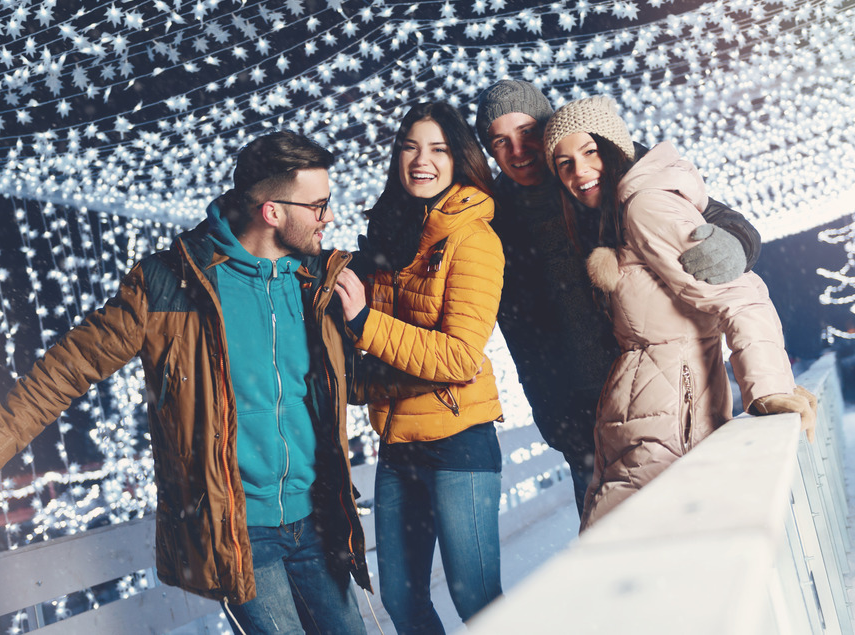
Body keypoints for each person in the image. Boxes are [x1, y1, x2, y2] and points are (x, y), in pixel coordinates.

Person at [0, 131, 371, 635]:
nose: (330, 217)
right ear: (272, 212)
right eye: (319, 205)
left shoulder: (318, 282)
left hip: (318, 517)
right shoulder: (169, 284)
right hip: (237, 529)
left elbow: (351, 382)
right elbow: (71, 364)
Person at [473, 80, 763, 516]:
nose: (519, 150)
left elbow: (699, 206)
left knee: (694, 523)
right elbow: (520, 331)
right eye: (501, 141)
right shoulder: (493, 216)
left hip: (657, 393)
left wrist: (735, 242)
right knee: (610, 550)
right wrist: (553, 417)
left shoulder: (594, 165)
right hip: (580, 419)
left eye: (528, 131)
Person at [543, 96, 817, 530]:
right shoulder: (613, 215)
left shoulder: (644, 206)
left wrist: (767, 389)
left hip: (672, 414)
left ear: (615, 147)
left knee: (619, 554)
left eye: (590, 151)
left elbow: (740, 295)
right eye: (564, 164)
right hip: (651, 410)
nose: (579, 173)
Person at [334, 102, 505, 634]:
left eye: (438, 149)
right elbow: (380, 356)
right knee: (403, 604)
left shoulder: (474, 239)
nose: (421, 160)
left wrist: (363, 321)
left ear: (459, 159)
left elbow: (458, 356)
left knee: (478, 602)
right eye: (410, 146)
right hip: (397, 445)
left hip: (459, 440)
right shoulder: (390, 237)